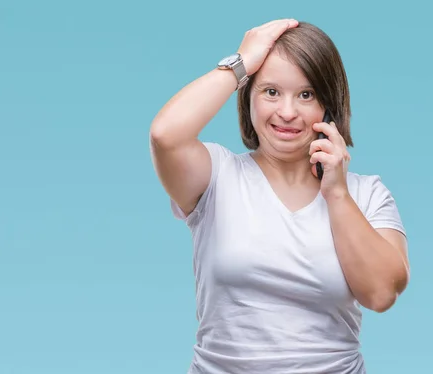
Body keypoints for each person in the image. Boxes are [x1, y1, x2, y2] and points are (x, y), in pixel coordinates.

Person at [149, 19, 410, 374]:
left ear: (328, 106)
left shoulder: (367, 195)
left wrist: (336, 193)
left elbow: (381, 294)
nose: (287, 112)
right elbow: (165, 136)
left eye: (306, 94)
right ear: (248, 96)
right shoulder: (217, 176)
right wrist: (241, 62)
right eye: (271, 91)